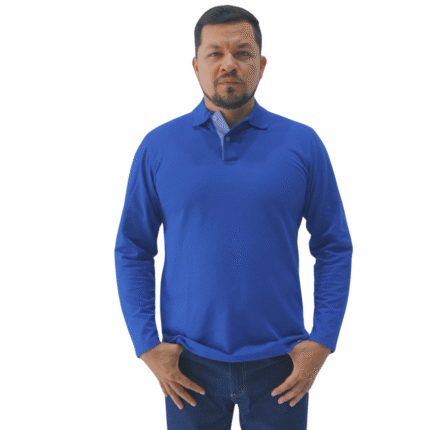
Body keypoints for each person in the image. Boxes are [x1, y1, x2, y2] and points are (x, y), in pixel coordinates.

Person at [114, 5, 353, 429]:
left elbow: (333, 246)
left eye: (243, 53)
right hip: (188, 364)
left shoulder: (302, 144)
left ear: (261, 64)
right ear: (196, 65)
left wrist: (322, 341)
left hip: (282, 364)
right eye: (215, 53)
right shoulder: (158, 147)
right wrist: (147, 345)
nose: (229, 64)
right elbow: (133, 248)